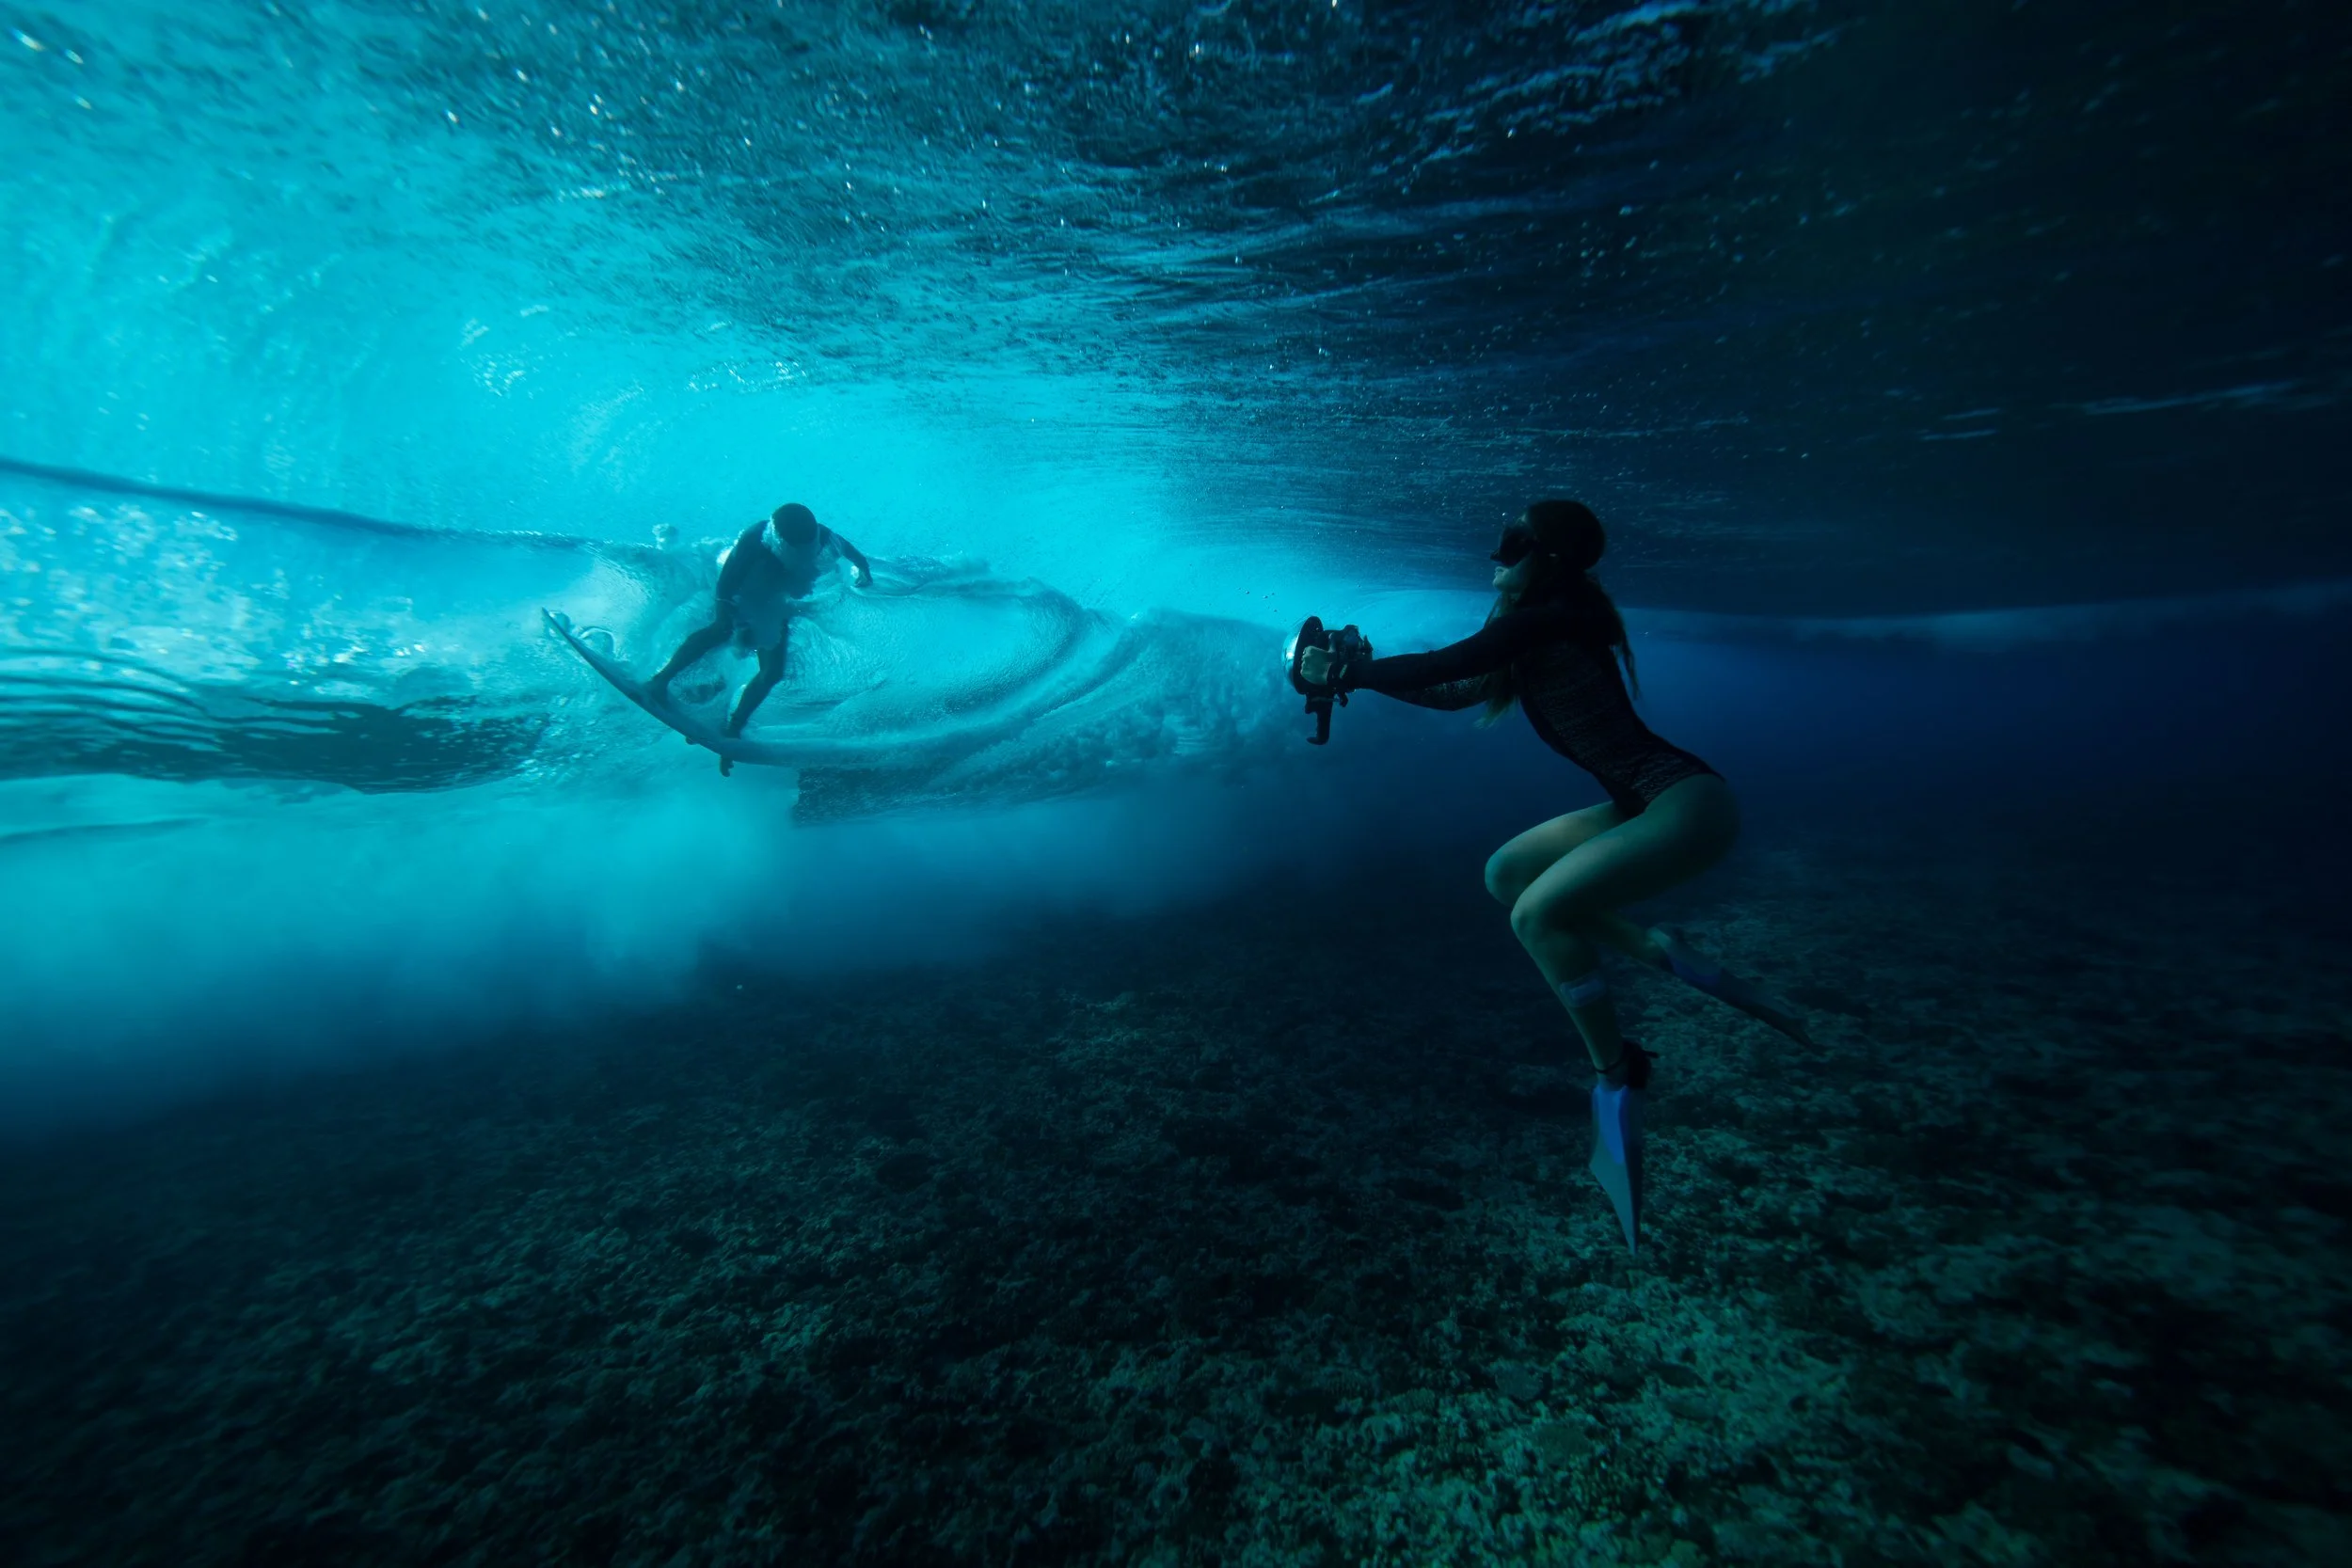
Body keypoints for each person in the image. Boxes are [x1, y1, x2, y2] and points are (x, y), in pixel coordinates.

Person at [1294, 499, 1808, 1251]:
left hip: (1683, 802)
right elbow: (1450, 687)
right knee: (1507, 875)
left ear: (1551, 559)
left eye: (1512, 544)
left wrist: (1350, 668)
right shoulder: (1534, 626)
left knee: (1537, 917)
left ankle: (1617, 1075)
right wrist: (1357, 670)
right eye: (1498, 541)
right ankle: (1666, 949)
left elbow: (1449, 662)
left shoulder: (1555, 614)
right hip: (1642, 800)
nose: (1494, 558)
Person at [645, 502, 873, 752]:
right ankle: (660, 681)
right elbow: (727, 581)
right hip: (743, 589)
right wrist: (724, 610)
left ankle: (733, 726)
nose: (801, 551)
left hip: (775, 600)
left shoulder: (824, 535)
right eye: (794, 548)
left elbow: (851, 551)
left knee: (772, 672)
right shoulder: (756, 538)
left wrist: (864, 569)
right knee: (721, 631)